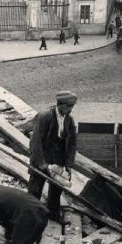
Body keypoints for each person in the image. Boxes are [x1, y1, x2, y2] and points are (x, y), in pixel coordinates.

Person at [28, 91, 78, 224]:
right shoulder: (45, 116)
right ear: (59, 105)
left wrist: (69, 164)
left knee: (56, 190)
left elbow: (72, 143)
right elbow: (35, 141)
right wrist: (41, 163)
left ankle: (53, 214)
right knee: (35, 189)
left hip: (58, 159)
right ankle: (30, 217)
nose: (70, 109)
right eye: (68, 106)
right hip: (42, 158)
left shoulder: (69, 119)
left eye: (72, 106)